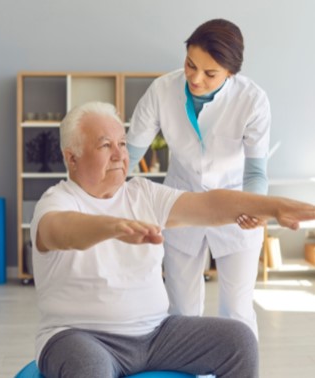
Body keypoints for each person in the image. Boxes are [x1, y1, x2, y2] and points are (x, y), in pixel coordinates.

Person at [31, 101, 315, 378]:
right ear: (72, 158)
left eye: (123, 144)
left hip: (156, 334)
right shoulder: (56, 202)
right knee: (90, 368)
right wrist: (113, 227)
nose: (119, 154)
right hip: (79, 336)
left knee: (238, 340)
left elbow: (210, 205)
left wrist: (275, 207)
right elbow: (64, 231)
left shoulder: (143, 193)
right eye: (105, 145)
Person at [126, 18, 271, 337]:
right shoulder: (162, 90)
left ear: (231, 73)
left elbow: (256, 171)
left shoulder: (252, 100)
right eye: (191, 65)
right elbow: (130, 155)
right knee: (182, 311)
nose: (195, 78)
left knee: (237, 311)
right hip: (182, 201)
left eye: (210, 73)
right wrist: (103, 199)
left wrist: (255, 208)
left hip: (236, 206)